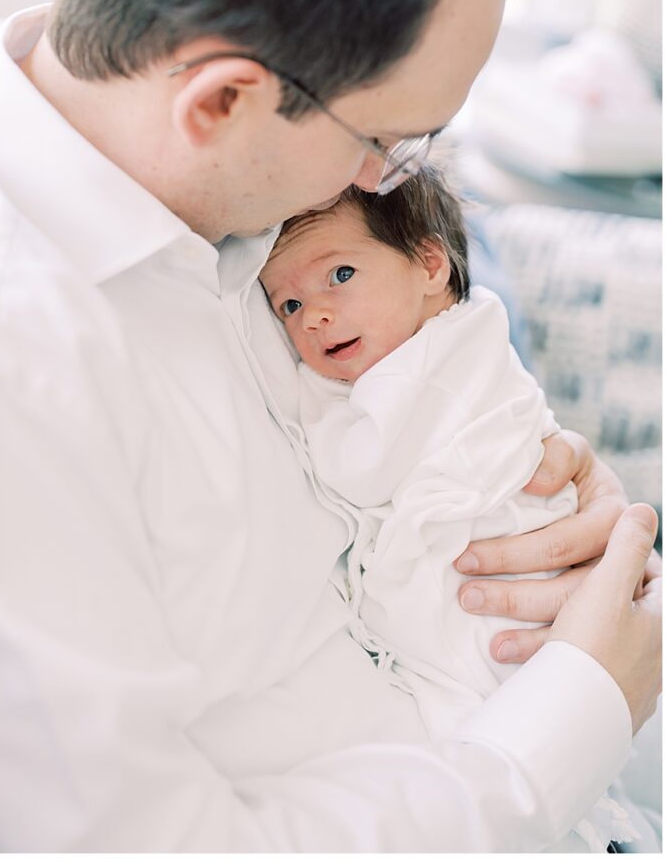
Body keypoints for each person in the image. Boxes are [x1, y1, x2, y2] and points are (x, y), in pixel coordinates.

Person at [0, 0, 660, 852]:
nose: (390, 178)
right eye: (385, 144)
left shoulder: (127, 121)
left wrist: (536, 481)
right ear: (219, 101)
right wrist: (574, 712)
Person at [258, 173, 653, 850]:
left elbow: (356, 470)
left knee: (492, 680)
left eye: (339, 276)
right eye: (287, 306)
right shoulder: (403, 346)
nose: (313, 316)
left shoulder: (438, 360)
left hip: (506, 551)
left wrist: (297, 400)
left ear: (430, 265)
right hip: (506, 584)